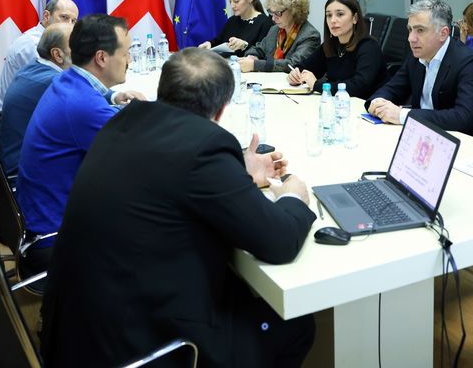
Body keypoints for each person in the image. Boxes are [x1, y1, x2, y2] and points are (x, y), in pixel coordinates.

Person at [40, 48, 316, 367]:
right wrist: (293, 196)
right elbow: (279, 242)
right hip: (141, 348)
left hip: (73, 333)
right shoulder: (205, 147)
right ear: (221, 110)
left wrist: (236, 170)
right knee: (295, 324)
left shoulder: (123, 122)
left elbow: (166, 172)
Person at [14, 14, 143, 279]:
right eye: (126, 53)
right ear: (101, 58)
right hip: (57, 237)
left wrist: (119, 103)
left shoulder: (68, 81)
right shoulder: (82, 106)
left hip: (42, 216)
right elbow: (145, 157)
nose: (129, 60)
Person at [365, 0, 473, 138]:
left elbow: (462, 117)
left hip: (462, 140)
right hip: (422, 134)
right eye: (410, 30)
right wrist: (377, 102)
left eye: (420, 30)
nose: (411, 38)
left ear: (443, 33)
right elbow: (393, 88)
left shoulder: (470, 63)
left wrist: (402, 115)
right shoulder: (417, 56)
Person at [0, 23, 73, 183]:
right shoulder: (54, 82)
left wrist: (113, 96)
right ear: (58, 55)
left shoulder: (33, 67)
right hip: (28, 177)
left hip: (14, 162)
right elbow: (92, 106)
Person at [287, 0, 386, 98]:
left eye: (340, 14)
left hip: (366, 104)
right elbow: (306, 67)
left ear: (355, 18)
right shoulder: (331, 44)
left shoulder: (369, 47)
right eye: (329, 15)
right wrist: (295, 74)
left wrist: (317, 85)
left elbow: (358, 87)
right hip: (337, 102)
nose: (333, 20)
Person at [0, 0, 79, 110]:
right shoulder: (32, 44)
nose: (69, 25)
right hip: (8, 115)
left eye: (73, 21)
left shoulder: (53, 42)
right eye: (64, 17)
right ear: (46, 16)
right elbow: (60, 88)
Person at [240, 0, 320, 73]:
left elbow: (293, 65)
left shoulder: (310, 35)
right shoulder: (275, 30)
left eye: (278, 13)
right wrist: (252, 57)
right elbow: (259, 49)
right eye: (271, 12)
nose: (273, 18)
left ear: (294, 11)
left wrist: (255, 65)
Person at [198, 0, 273, 55]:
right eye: (230, 1)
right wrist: (209, 44)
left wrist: (244, 45)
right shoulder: (232, 20)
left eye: (236, 1)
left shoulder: (265, 23)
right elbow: (219, 41)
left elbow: (263, 53)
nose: (232, 6)